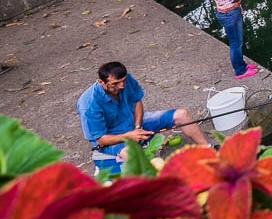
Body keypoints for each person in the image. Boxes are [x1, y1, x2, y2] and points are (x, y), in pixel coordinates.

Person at [77, 61, 213, 174]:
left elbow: (137, 101)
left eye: (123, 81)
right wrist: (130, 136)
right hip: (112, 137)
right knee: (133, 155)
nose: (122, 86)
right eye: (115, 84)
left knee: (181, 115)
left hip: (132, 122)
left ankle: (208, 149)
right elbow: (100, 139)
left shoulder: (125, 80)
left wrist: (137, 127)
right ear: (101, 82)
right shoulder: (88, 105)